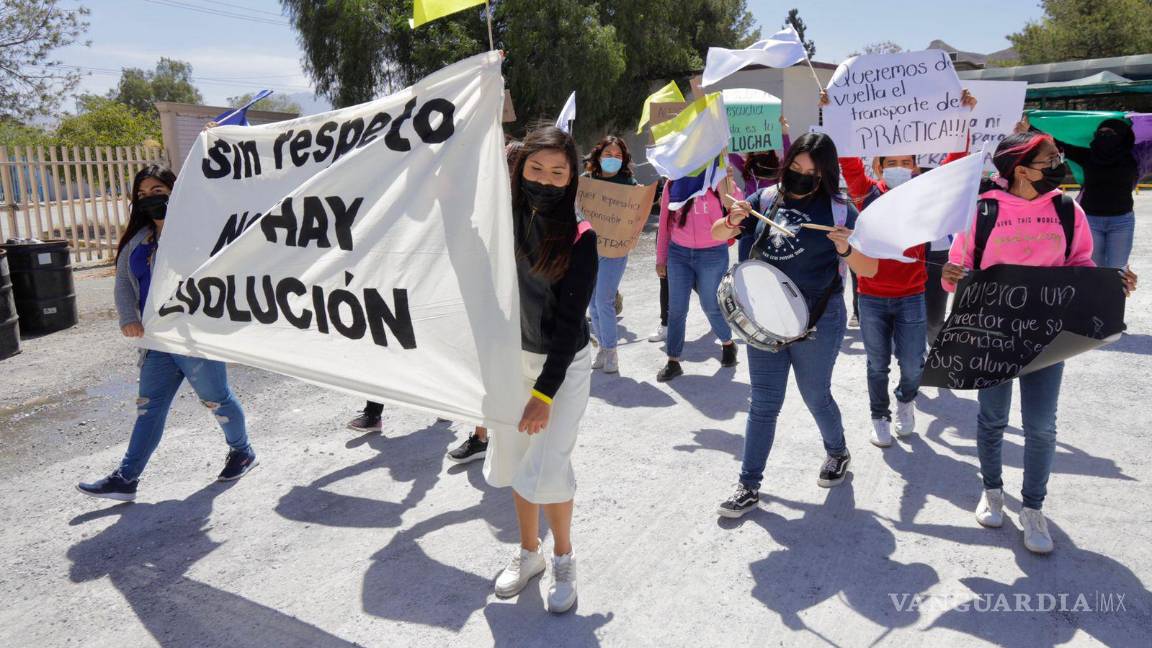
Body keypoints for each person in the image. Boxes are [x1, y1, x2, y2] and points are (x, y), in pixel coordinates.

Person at [941, 132, 1138, 554]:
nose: (1059, 164)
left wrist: (1111, 282)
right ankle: (992, 491)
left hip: (1049, 336)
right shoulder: (983, 211)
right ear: (1021, 169)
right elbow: (959, 265)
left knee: (1041, 427)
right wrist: (953, 274)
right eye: (1051, 159)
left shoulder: (1069, 209)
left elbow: (1081, 263)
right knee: (992, 420)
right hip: (992, 334)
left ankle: (1033, 508)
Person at [709, 132, 879, 518]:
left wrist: (846, 248)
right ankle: (748, 485)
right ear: (787, 165)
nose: (802, 176)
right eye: (797, 168)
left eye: (812, 172)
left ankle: (837, 452)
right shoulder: (765, 199)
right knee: (764, 402)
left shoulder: (839, 210)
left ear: (825, 175)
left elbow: (870, 268)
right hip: (764, 317)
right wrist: (732, 219)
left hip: (819, 319)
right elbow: (719, 233)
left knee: (815, 394)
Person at [77, 165, 258, 501]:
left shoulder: (200, 234)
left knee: (215, 398)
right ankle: (126, 478)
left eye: (157, 192)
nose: (149, 200)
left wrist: (215, 146)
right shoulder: (137, 240)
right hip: (156, 339)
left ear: (175, 192)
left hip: (193, 336)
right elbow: (122, 283)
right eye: (142, 195)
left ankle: (242, 451)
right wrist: (127, 317)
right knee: (150, 406)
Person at [485, 126, 596, 614]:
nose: (546, 181)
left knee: (548, 465)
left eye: (558, 172)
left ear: (572, 177)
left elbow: (570, 326)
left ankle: (564, 558)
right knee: (515, 460)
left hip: (562, 369)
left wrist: (545, 394)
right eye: (536, 169)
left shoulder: (580, 236)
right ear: (518, 167)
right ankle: (529, 554)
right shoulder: (501, 218)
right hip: (513, 362)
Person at [832, 90, 977, 447]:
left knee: (913, 364)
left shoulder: (925, 194)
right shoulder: (866, 194)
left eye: (906, 160)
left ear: (915, 165)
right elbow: (849, 162)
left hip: (912, 295)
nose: (900, 166)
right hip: (872, 297)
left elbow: (956, 163)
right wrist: (834, 114)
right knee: (876, 364)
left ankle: (905, 401)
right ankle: (879, 415)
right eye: (891, 161)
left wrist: (963, 117)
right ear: (879, 166)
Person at [654, 178, 740, 382]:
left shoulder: (717, 178)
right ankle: (673, 360)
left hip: (712, 252)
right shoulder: (673, 183)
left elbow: (737, 205)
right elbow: (665, 220)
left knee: (710, 305)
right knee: (676, 309)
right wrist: (661, 258)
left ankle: (728, 344)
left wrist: (727, 184)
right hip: (678, 252)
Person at [1029, 116, 1139, 269]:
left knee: (1118, 269)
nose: (1104, 136)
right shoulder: (1088, 156)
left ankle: (1114, 294)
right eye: (1100, 132)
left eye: (1110, 132)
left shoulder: (1135, 157)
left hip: (1121, 222)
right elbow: (1057, 145)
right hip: (1091, 220)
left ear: (1122, 135)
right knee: (1094, 268)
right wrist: (1030, 127)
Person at [583, 135, 638, 374]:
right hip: (588, 251)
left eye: (618, 156)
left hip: (614, 251)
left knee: (604, 302)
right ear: (598, 155)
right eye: (608, 155)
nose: (613, 159)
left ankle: (612, 352)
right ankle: (604, 349)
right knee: (592, 305)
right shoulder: (586, 182)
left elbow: (636, 215)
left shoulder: (630, 184)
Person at [730, 115, 793, 262]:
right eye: (756, 147)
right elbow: (730, 152)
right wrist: (727, 131)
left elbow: (790, 155)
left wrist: (784, 133)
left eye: (764, 145)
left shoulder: (779, 167)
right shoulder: (747, 167)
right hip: (748, 217)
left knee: (767, 263)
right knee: (744, 263)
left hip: (769, 221)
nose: (760, 149)